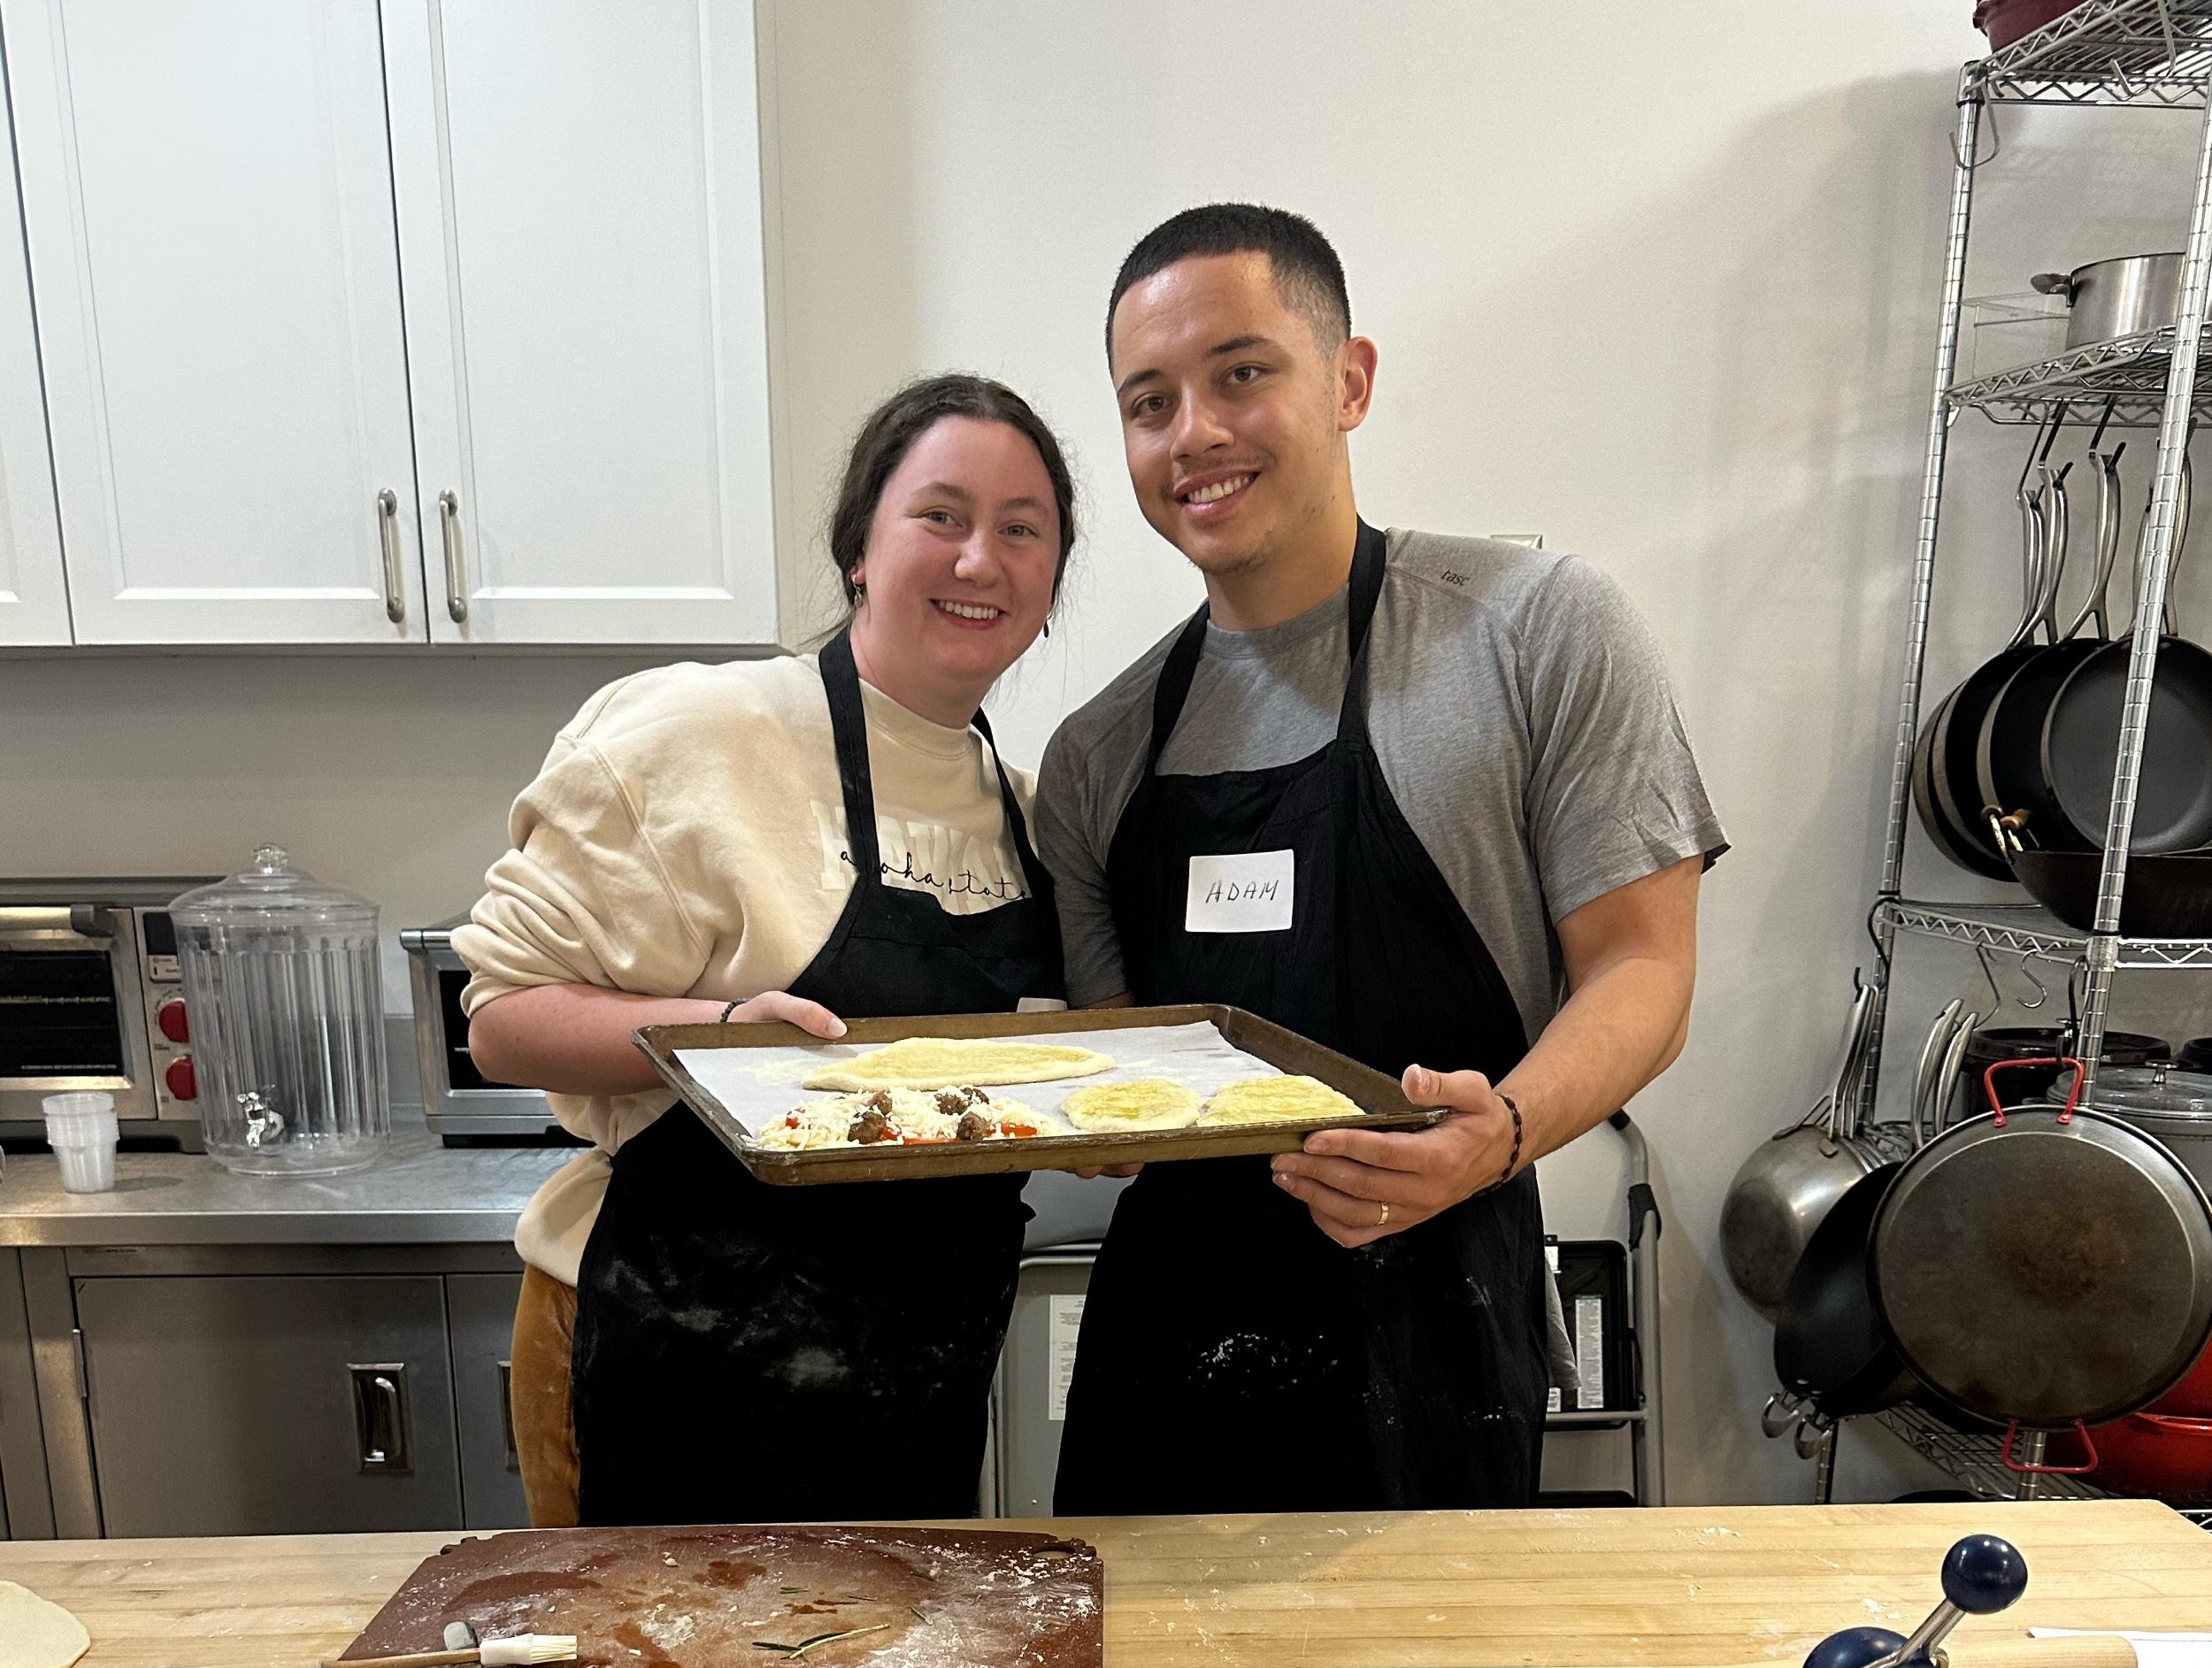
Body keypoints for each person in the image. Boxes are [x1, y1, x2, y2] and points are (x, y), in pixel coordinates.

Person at [1035, 204, 1723, 1513]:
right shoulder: (1095, 753)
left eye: (1244, 372)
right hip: (1167, 1348)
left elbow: (1645, 968)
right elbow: (1116, 1058)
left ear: (1349, 380)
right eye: (1150, 401)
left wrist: (1499, 1132)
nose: (1197, 434)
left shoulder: (1535, 633)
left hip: (1441, 1319)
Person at [457, 373, 1075, 1526]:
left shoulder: (1029, 812)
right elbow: (500, 1015)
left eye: (1021, 529)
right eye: (940, 515)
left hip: (913, 1377)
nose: (979, 559)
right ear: (858, 545)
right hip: (670, 1353)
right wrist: (724, 1040)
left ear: (1050, 581)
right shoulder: (704, 734)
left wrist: (1084, 1120)